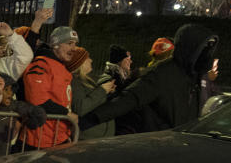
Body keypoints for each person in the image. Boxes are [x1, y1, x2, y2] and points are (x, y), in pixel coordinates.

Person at [81, 25, 218, 134]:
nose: (205, 54)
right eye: (202, 49)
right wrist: (91, 119)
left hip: (185, 142)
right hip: (158, 142)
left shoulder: (198, 76)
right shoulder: (162, 73)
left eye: (208, 49)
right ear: (190, 48)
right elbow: (130, 98)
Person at [21, 26, 80, 148]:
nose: (74, 49)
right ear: (55, 44)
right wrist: (66, 114)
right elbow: (37, 99)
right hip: (39, 140)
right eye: (69, 43)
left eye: (75, 44)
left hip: (57, 137)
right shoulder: (41, 64)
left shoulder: (61, 67)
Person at [67, 47, 116, 139]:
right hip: (88, 139)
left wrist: (109, 91)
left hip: (102, 137)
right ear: (80, 63)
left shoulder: (91, 79)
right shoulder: (74, 82)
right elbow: (80, 108)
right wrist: (102, 90)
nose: (91, 60)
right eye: (87, 58)